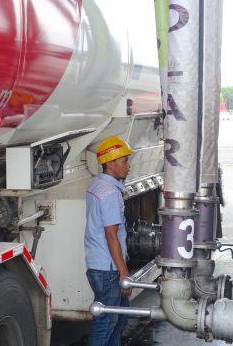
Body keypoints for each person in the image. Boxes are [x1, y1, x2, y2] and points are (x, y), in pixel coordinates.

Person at [84, 135, 133, 346]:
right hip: (109, 270)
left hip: (98, 265)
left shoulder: (95, 185)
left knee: (119, 319)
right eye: (124, 160)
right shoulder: (111, 193)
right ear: (111, 164)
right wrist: (123, 272)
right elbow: (111, 235)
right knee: (106, 323)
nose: (128, 166)